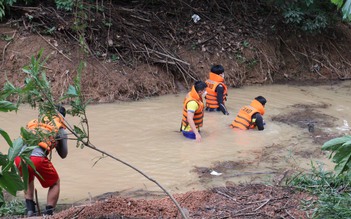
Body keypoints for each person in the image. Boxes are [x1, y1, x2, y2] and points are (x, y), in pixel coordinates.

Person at [15, 105, 68, 217]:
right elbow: (63, 154)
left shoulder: (35, 122)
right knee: (55, 183)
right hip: (36, 158)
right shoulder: (60, 129)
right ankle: (49, 213)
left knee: (28, 177)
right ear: (62, 118)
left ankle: (30, 210)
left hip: (19, 157)